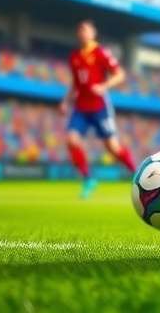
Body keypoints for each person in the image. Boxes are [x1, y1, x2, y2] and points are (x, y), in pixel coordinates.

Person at [59, 19, 135, 198]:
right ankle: (88, 179)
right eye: (80, 30)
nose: (82, 32)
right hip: (80, 106)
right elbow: (75, 84)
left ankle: (136, 173)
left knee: (113, 148)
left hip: (99, 106)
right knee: (71, 140)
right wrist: (65, 101)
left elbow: (120, 74)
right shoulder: (74, 57)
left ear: (93, 33)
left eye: (85, 29)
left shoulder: (101, 52)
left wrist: (104, 86)